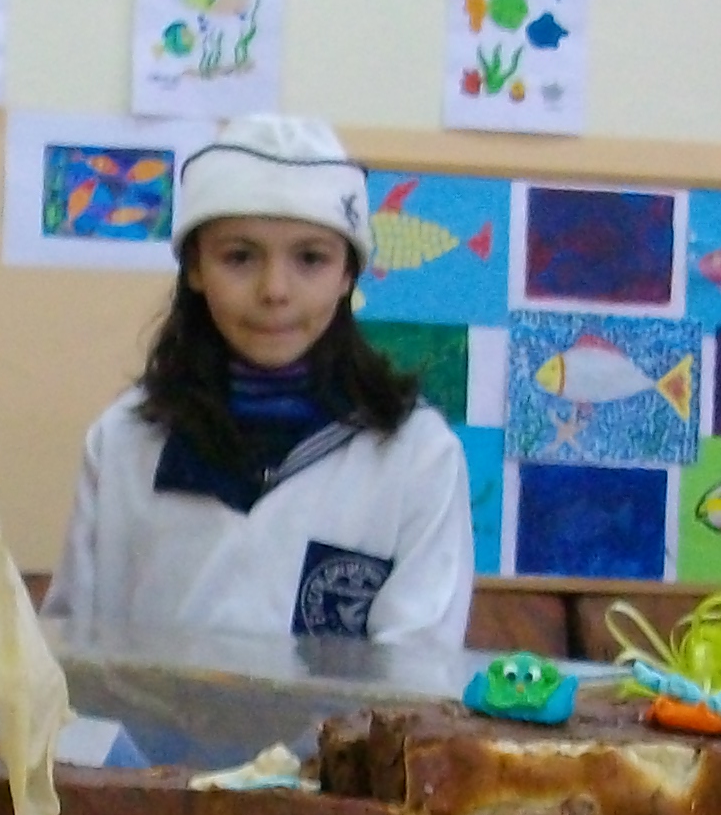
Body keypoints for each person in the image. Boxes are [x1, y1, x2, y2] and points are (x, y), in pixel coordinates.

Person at [53, 116, 472, 649]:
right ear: (196, 269)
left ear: (348, 275)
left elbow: (416, 677)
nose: (275, 290)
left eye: (310, 258)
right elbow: (75, 655)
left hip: (341, 738)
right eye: (240, 257)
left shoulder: (417, 454)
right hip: (143, 735)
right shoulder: (123, 442)